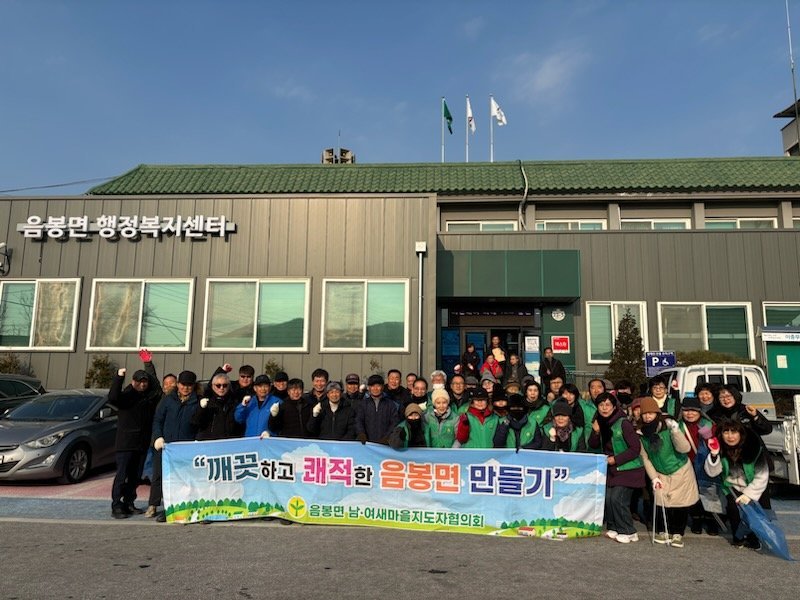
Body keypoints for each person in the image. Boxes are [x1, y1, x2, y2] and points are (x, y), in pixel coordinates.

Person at [636, 396, 698, 548]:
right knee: (661, 502)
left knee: (680, 504)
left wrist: (676, 431)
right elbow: (645, 458)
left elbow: (684, 449)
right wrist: (654, 477)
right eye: (644, 413)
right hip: (660, 472)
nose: (648, 416)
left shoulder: (667, 427)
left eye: (651, 413)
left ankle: (677, 533)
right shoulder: (640, 434)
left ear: (657, 413)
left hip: (680, 469)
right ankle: (663, 530)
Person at [108, 349, 162, 519]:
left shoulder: (149, 397)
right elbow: (113, 397)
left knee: (135, 476)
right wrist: (119, 378)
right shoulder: (126, 396)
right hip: (125, 444)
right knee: (122, 475)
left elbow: (155, 384)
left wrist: (148, 364)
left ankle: (129, 503)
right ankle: (117, 506)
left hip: (141, 443)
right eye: (139, 381)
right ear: (133, 382)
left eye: (144, 381)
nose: (143, 384)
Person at [705, 419, 771, 549]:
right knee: (734, 510)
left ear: (741, 434)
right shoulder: (720, 449)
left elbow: (762, 475)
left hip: (753, 486)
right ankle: (738, 537)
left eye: (734, 432)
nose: (730, 436)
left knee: (753, 513)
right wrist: (714, 455)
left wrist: (748, 495)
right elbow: (712, 472)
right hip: (732, 487)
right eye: (726, 432)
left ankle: (753, 537)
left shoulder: (754, 449)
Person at [589, 392, 645, 544]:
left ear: (614, 407)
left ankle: (629, 531)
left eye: (608, 405)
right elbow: (593, 445)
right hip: (612, 469)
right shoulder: (600, 422)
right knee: (608, 498)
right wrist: (595, 431)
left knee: (617, 499)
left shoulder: (623, 423)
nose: (604, 408)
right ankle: (614, 527)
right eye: (601, 405)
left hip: (628, 469)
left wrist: (616, 459)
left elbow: (635, 448)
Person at [148, 370, 200, 521]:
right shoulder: (168, 399)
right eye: (183, 384)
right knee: (159, 476)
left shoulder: (197, 401)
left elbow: (199, 424)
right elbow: (158, 419)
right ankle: (153, 504)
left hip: (185, 447)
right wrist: (158, 437)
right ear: (178, 384)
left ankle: (174, 507)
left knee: (182, 479)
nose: (185, 388)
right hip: (166, 446)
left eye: (189, 385)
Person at [678, 396, 719, 536]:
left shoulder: (708, 425)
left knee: (709, 492)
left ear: (700, 411)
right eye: (686, 410)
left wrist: (709, 439)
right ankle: (696, 519)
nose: (690, 413)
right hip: (686, 465)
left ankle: (711, 519)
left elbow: (717, 444)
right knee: (692, 493)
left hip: (705, 464)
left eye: (693, 410)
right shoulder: (678, 426)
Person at [707, 384, 772, 437]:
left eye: (729, 396)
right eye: (722, 397)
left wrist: (755, 416)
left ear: (735, 396)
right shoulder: (713, 414)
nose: (726, 399)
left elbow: (767, 430)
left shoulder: (746, 410)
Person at [193, 373, 242, 440]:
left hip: (228, 441)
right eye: (218, 385)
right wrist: (201, 409)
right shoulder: (206, 400)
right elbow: (196, 422)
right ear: (213, 386)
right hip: (208, 441)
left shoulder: (234, 402)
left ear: (229, 386)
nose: (221, 388)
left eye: (225, 385)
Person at [355, 374, 401, 444]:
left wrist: (387, 437)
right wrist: (361, 433)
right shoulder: (363, 404)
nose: (375, 389)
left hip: (385, 444)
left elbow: (394, 422)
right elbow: (358, 420)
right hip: (367, 444)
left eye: (378, 386)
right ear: (369, 388)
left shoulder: (390, 404)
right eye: (373, 386)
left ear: (382, 387)